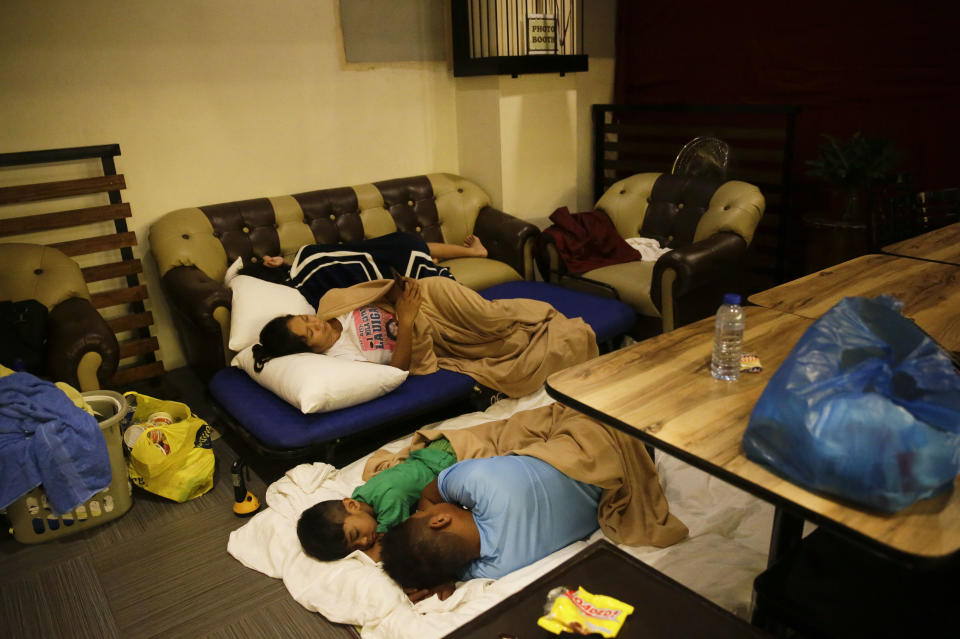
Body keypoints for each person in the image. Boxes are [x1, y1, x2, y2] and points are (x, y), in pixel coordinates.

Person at [252, 273, 598, 397]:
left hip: (430, 298)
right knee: (512, 346)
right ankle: (545, 331)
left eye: (305, 318)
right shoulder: (342, 359)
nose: (316, 323)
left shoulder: (329, 305)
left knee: (489, 315)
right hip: (425, 331)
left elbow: (375, 290)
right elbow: (398, 369)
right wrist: (406, 321)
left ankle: (534, 315)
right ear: (308, 350)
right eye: (310, 333)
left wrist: (399, 293)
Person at [380, 455, 604, 602]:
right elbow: (430, 494)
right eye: (418, 514)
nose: (420, 509)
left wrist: (434, 580)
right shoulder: (476, 481)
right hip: (590, 457)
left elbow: (446, 568)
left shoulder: (494, 569)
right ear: (439, 520)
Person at [297, 438, 457, 563]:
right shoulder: (361, 496)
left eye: (356, 534)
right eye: (357, 547)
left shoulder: (390, 499)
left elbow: (389, 544)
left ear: (352, 504)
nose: (365, 541)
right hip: (429, 456)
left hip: (445, 456)